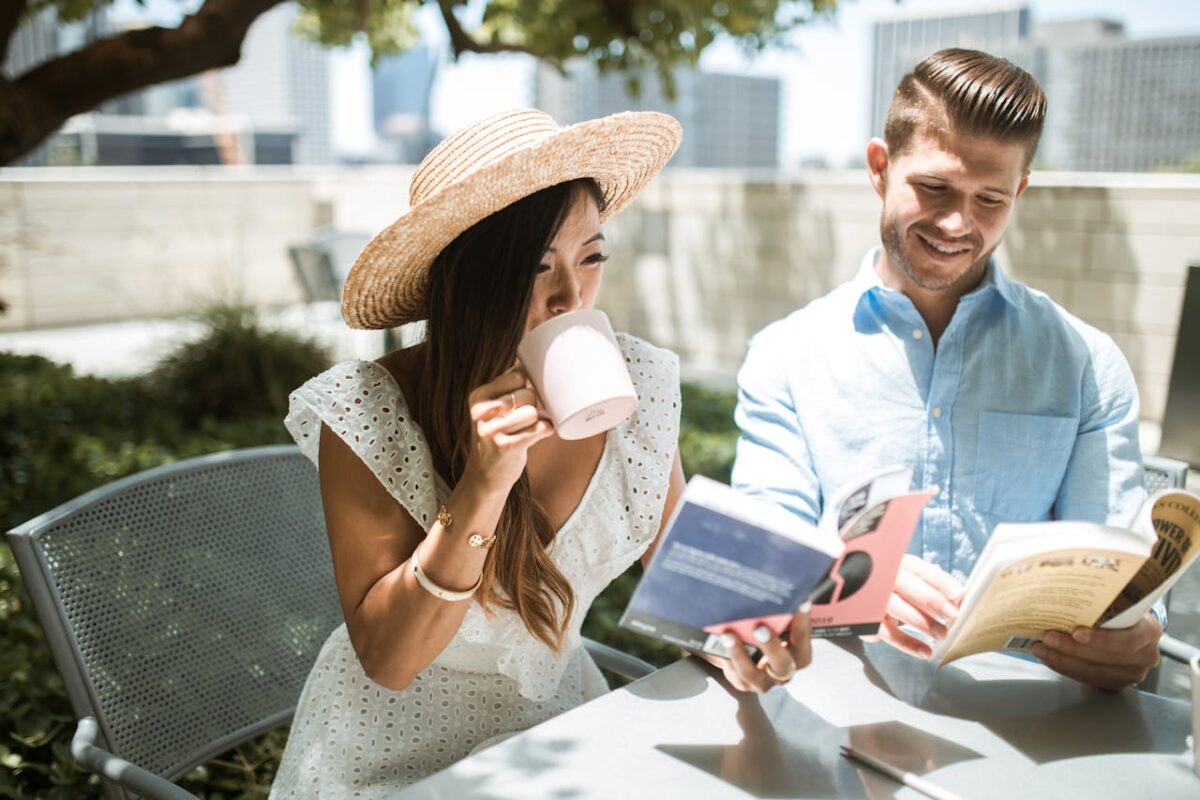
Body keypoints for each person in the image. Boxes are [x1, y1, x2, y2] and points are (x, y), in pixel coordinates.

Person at [270, 109, 812, 798]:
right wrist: (484, 484)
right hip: (389, 762)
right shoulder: (367, 408)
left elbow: (689, 581)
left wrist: (751, 631)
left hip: (560, 741)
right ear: (469, 281)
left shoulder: (635, 383)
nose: (571, 297)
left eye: (591, 257)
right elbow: (389, 659)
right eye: (537, 268)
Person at [731, 48, 1163, 691]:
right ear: (880, 167)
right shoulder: (785, 356)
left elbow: (1121, 572)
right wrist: (835, 582)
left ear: (1019, 191)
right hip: (839, 710)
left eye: (989, 198)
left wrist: (1138, 633)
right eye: (934, 188)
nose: (959, 223)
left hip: (1032, 728)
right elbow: (762, 558)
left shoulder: (1086, 364)